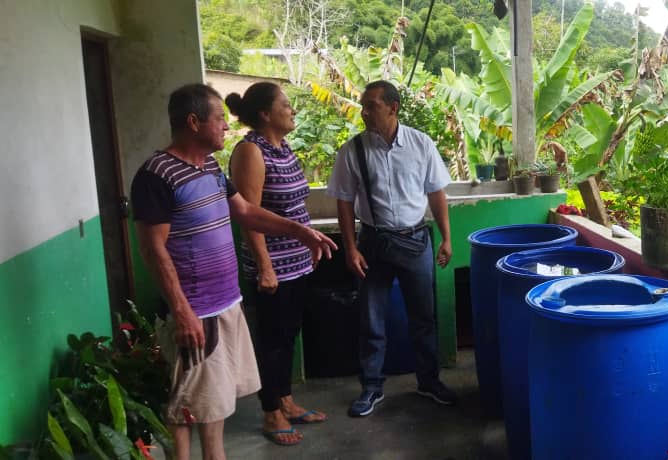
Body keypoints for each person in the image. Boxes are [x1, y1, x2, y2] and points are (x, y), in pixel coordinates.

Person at [131, 83, 337, 460]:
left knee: (215, 396)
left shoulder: (208, 166)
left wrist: (300, 231)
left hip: (226, 302)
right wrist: (181, 310)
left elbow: (243, 211)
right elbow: (152, 248)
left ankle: (215, 455)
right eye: (220, 119)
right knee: (186, 401)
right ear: (194, 122)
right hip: (196, 310)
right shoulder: (156, 175)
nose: (227, 126)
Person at [327, 80, 456, 418]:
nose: (364, 112)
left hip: (416, 241)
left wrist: (446, 237)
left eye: (371, 105)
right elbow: (343, 203)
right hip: (372, 244)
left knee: (424, 319)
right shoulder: (352, 150)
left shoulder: (421, 144)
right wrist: (350, 249)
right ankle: (371, 387)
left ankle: (428, 381)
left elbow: (436, 194)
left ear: (393, 107)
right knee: (371, 320)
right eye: (363, 105)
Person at [225, 82, 325, 446]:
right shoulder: (251, 151)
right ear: (265, 114)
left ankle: (285, 401)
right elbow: (249, 215)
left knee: (288, 335)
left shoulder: (283, 148)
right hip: (274, 267)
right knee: (272, 342)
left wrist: (309, 244)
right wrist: (265, 266)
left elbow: (294, 206)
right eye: (286, 105)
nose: (292, 110)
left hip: (297, 262)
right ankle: (271, 413)